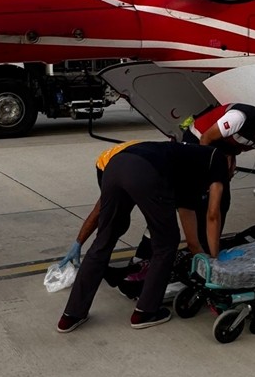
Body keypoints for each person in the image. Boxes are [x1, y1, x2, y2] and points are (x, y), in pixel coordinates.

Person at [56, 140, 230, 334]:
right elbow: (213, 214)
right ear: (230, 163)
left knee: (104, 240)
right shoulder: (219, 159)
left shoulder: (186, 162)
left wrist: (199, 253)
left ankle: (71, 315)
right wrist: (215, 260)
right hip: (145, 171)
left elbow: (190, 229)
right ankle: (145, 312)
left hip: (115, 166)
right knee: (166, 244)